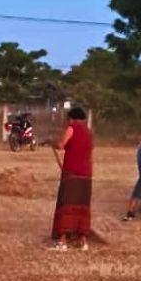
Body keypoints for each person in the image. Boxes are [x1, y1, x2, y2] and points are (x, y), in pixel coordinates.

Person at [49, 107, 93, 251]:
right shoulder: (88, 132)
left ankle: (63, 241)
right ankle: (83, 241)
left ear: (72, 118)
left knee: (67, 204)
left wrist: (53, 142)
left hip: (72, 172)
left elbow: (62, 145)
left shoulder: (72, 128)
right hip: (86, 173)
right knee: (82, 206)